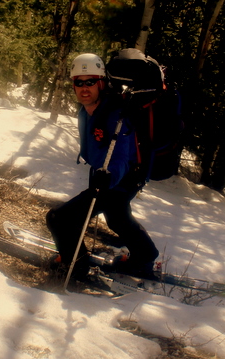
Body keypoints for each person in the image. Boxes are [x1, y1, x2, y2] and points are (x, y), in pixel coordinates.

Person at [46, 53, 159, 279]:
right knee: (117, 216)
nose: (84, 87)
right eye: (79, 82)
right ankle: (144, 256)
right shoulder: (90, 110)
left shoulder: (115, 114)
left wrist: (108, 177)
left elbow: (120, 154)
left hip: (118, 178)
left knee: (60, 219)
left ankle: (75, 265)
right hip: (116, 176)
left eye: (90, 81)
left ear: (102, 83)